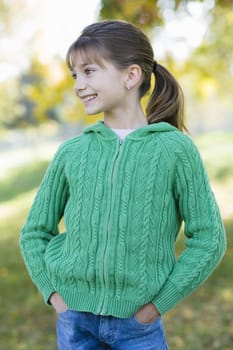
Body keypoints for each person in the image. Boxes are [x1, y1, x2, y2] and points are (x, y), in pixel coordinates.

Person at [20, 20, 226, 350]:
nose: (78, 85)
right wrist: (55, 295)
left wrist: (156, 306)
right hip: (75, 321)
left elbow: (209, 238)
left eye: (89, 71)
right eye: (75, 75)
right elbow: (34, 231)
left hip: (138, 326)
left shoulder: (175, 150)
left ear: (131, 76)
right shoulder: (72, 152)